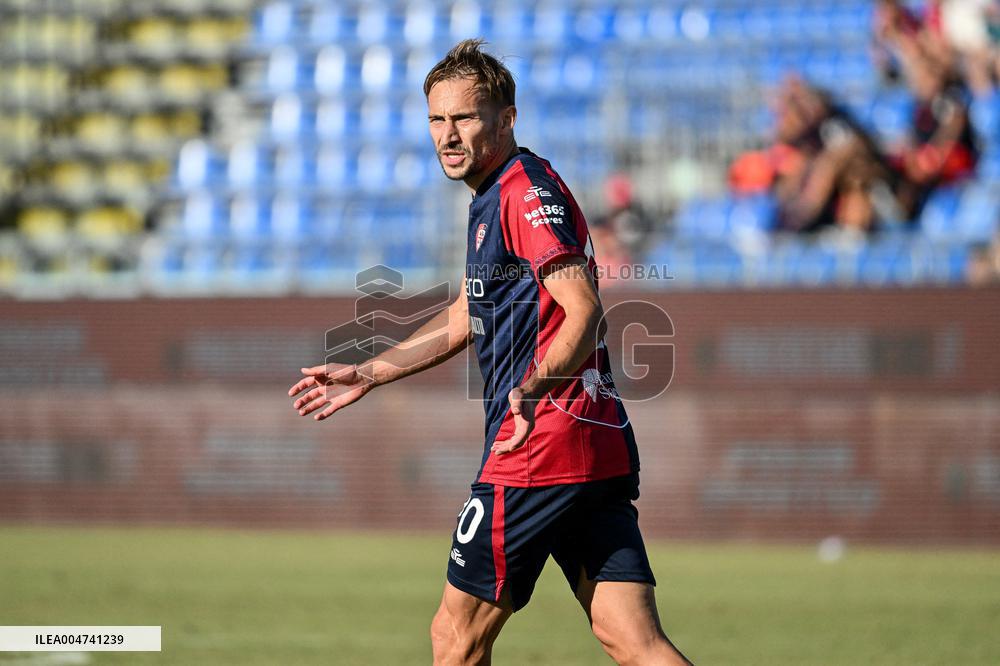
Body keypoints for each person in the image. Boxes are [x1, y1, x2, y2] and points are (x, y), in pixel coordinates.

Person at [288, 40, 692, 666]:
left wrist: (531, 388)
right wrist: (369, 371)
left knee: (456, 639)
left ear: (506, 119)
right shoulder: (497, 193)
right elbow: (464, 316)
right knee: (633, 641)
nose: (447, 135)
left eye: (464, 118)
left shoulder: (523, 193)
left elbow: (584, 311)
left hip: (537, 445)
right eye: (436, 119)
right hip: (591, 444)